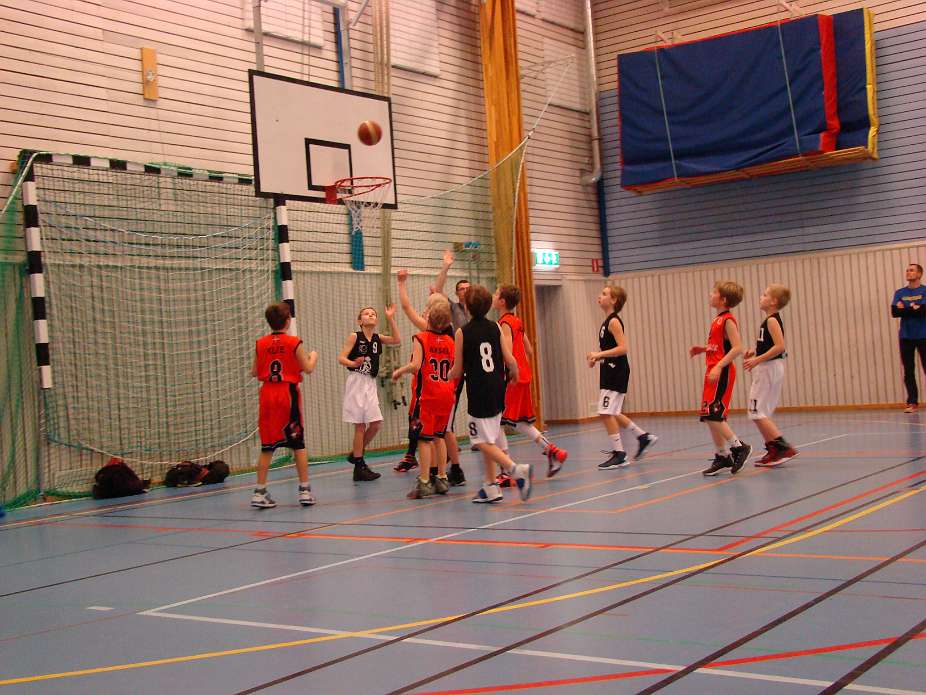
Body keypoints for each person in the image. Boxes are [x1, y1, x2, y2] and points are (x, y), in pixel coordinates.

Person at [448, 284, 532, 503]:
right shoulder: (495, 327)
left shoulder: (462, 332)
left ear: (467, 307)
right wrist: (514, 374)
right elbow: (510, 359)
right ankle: (490, 486)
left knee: (479, 441)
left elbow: (457, 369)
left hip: (479, 391)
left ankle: (516, 470)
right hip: (497, 387)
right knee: (489, 439)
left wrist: (446, 376)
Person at [395, 268, 467, 485]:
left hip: (433, 389)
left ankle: (441, 473)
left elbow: (407, 308)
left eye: (426, 308)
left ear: (430, 314)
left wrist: (401, 284)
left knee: (436, 434)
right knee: (442, 432)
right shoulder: (451, 334)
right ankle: (442, 471)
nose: (423, 311)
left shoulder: (425, 334)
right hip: (449, 385)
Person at [493, 284, 568, 479]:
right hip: (524, 376)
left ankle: (506, 471)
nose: (493, 296)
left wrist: (506, 373)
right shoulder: (517, 321)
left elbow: (506, 353)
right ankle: (552, 451)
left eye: (496, 293)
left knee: (497, 421)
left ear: (502, 301)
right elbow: (529, 350)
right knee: (519, 423)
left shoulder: (504, 324)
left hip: (513, 378)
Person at [250, 302, 318, 509]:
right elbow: (308, 368)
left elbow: (254, 372)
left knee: (267, 446)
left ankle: (259, 492)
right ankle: (305, 491)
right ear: (288, 321)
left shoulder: (260, 343)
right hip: (287, 394)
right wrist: (313, 357)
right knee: (297, 443)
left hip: (267, 394)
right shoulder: (293, 342)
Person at [586, 286, 658, 470]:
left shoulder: (614, 322)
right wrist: (597, 358)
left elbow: (623, 348)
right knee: (613, 411)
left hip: (616, 371)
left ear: (614, 300)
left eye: (604, 294)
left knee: (605, 412)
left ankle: (620, 454)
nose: (599, 296)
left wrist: (599, 354)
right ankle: (643, 437)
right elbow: (610, 350)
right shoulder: (606, 322)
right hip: (609, 370)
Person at [392, 301, 457, 499]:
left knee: (423, 440)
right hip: (446, 395)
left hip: (427, 396)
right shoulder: (451, 341)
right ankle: (442, 478)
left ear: (428, 318)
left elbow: (415, 366)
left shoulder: (420, 338)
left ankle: (424, 482)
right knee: (439, 437)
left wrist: (399, 371)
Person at [690, 281, 751, 476]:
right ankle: (723, 455)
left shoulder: (728, 320)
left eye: (714, 292)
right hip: (712, 371)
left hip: (722, 372)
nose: (710, 294)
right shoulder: (717, 320)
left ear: (723, 299)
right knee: (708, 415)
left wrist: (718, 366)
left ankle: (739, 447)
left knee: (714, 415)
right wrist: (703, 349)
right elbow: (720, 346)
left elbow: (737, 348)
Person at [337, 304, 401, 481]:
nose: (370, 315)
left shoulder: (377, 338)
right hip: (357, 381)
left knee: (376, 424)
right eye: (366, 313)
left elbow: (396, 339)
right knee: (360, 426)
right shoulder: (354, 336)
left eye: (373, 314)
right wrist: (353, 363)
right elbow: (341, 358)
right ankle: (359, 466)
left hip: (370, 383)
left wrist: (390, 318)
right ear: (360, 321)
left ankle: (356, 453)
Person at [744, 285, 798, 466]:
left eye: (764, 294)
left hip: (768, 368)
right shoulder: (769, 320)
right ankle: (774, 449)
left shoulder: (772, 321)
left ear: (773, 301)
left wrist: (757, 359)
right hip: (771, 367)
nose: (761, 297)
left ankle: (782, 448)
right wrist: (755, 351)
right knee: (760, 412)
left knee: (756, 411)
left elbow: (780, 346)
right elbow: (770, 344)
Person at [892, 263, 926, 413]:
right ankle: (912, 402)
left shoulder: (925, 291)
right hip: (906, 336)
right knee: (908, 370)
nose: (908, 272)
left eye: (911, 270)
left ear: (919, 274)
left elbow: (924, 311)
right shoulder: (899, 292)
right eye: (907, 270)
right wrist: (914, 308)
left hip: (924, 335)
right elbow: (894, 312)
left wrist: (905, 308)